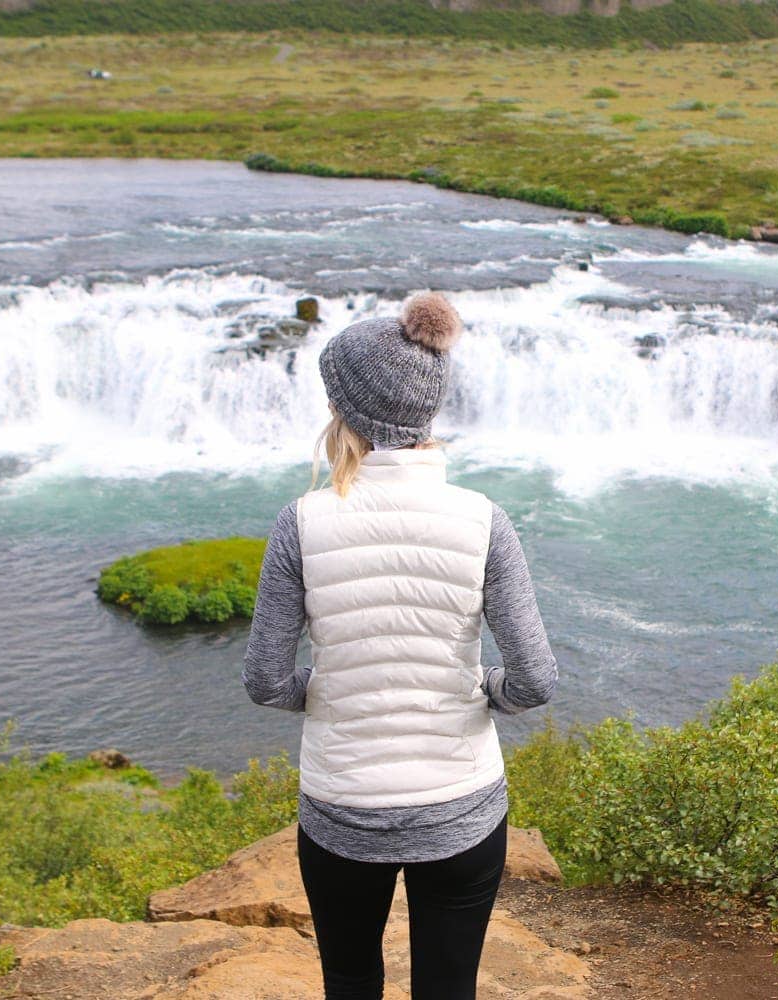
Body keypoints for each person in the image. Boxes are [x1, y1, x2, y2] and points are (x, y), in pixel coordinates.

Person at [241, 291, 559, 1000]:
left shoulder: (301, 522)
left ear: (346, 412)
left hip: (341, 809)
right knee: (448, 989)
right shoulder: (485, 520)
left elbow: (263, 679)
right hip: (461, 807)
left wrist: (323, 690)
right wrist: (485, 692)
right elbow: (536, 679)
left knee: (351, 981)